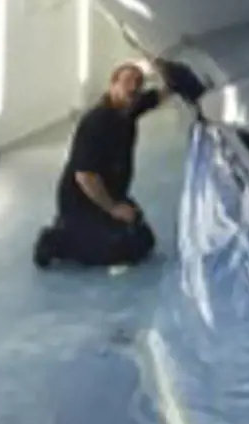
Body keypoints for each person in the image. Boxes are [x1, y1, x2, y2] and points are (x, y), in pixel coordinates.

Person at [32, 61, 171, 269]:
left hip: (110, 192)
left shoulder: (128, 110)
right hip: (81, 200)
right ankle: (57, 240)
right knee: (120, 251)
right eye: (127, 82)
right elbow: (85, 176)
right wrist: (113, 208)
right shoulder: (96, 121)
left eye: (138, 83)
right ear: (113, 84)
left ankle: (84, 231)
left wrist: (173, 77)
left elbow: (157, 97)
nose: (133, 87)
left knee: (143, 241)